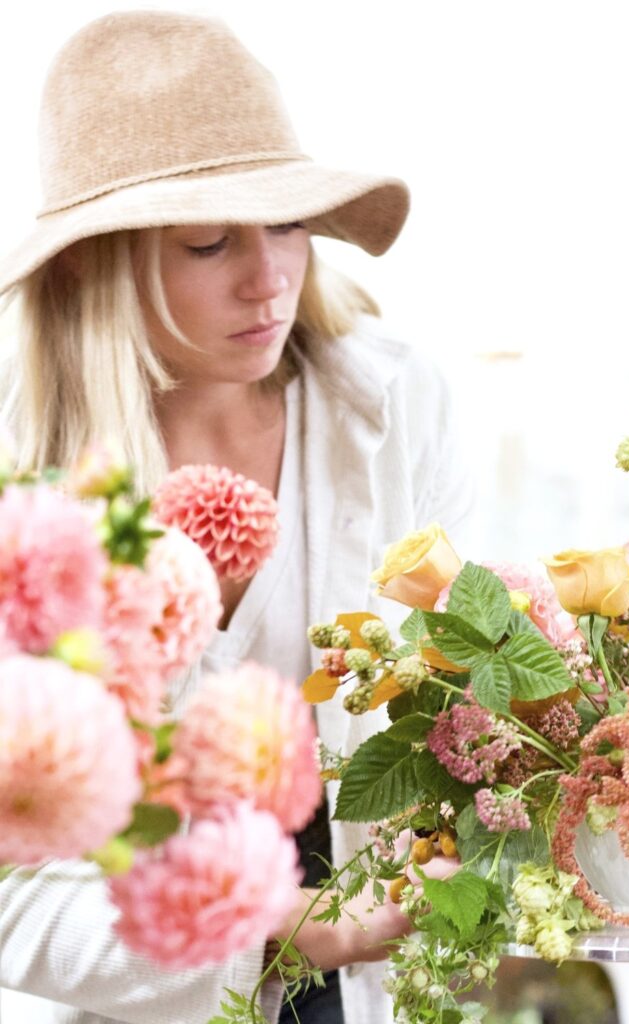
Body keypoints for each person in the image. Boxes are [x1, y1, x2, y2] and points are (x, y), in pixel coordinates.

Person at [0, 10, 470, 1024]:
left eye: (290, 224)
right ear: (89, 263)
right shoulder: (25, 499)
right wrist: (258, 928)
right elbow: (10, 896)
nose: (270, 280)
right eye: (210, 243)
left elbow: (469, 704)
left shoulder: (392, 409)